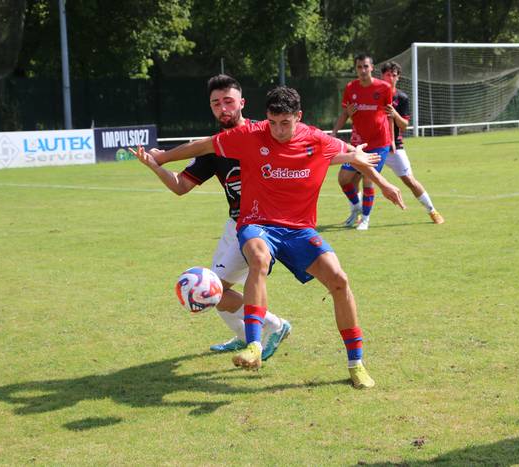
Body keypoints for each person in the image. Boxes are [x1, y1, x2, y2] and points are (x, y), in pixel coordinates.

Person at [132, 86, 406, 389]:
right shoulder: (249, 136)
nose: (277, 130)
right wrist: (163, 157)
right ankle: (253, 345)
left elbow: (354, 156)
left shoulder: (315, 138)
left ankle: (356, 363)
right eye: (272, 122)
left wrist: (383, 185)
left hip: (300, 230)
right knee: (258, 259)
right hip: (256, 223)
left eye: (285, 123)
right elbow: (205, 145)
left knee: (339, 279)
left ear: (298, 117)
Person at [133, 74, 290, 361]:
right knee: (213, 290)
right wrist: (155, 167)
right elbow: (181, 186)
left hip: (263, 225)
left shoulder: (266, 131)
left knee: (214, 290)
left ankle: (274, 326)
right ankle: (249, 335)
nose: (223, 108)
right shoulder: (213, 148)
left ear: (242, 102)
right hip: (236, 224)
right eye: (216, 103)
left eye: (228, 101)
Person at [332, 53, 395, 231]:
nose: (362, 70)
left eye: (365, 67)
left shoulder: (384, 88)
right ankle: (357, 207)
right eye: (359, 67)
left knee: (368, 179)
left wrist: (392, 139)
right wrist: (334, 132)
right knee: (343, 179)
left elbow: (389, 114)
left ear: (372, 68)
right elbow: (345, 113)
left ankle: (365, 219)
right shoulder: (351, 88)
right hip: (357, 144)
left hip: (379, 143)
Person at [378, 61, 444, 224]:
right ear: (382, 76)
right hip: (374, 146)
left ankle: (432, 210)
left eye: (394, 75)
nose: (391, 78)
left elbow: (405, 125)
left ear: (398, 78)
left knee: (410, 180)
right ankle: (359, 215)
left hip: (394, 148)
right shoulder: (374, 94)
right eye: (388, 74)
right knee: (355, 179)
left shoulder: (402, 98)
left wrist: (395, 114)